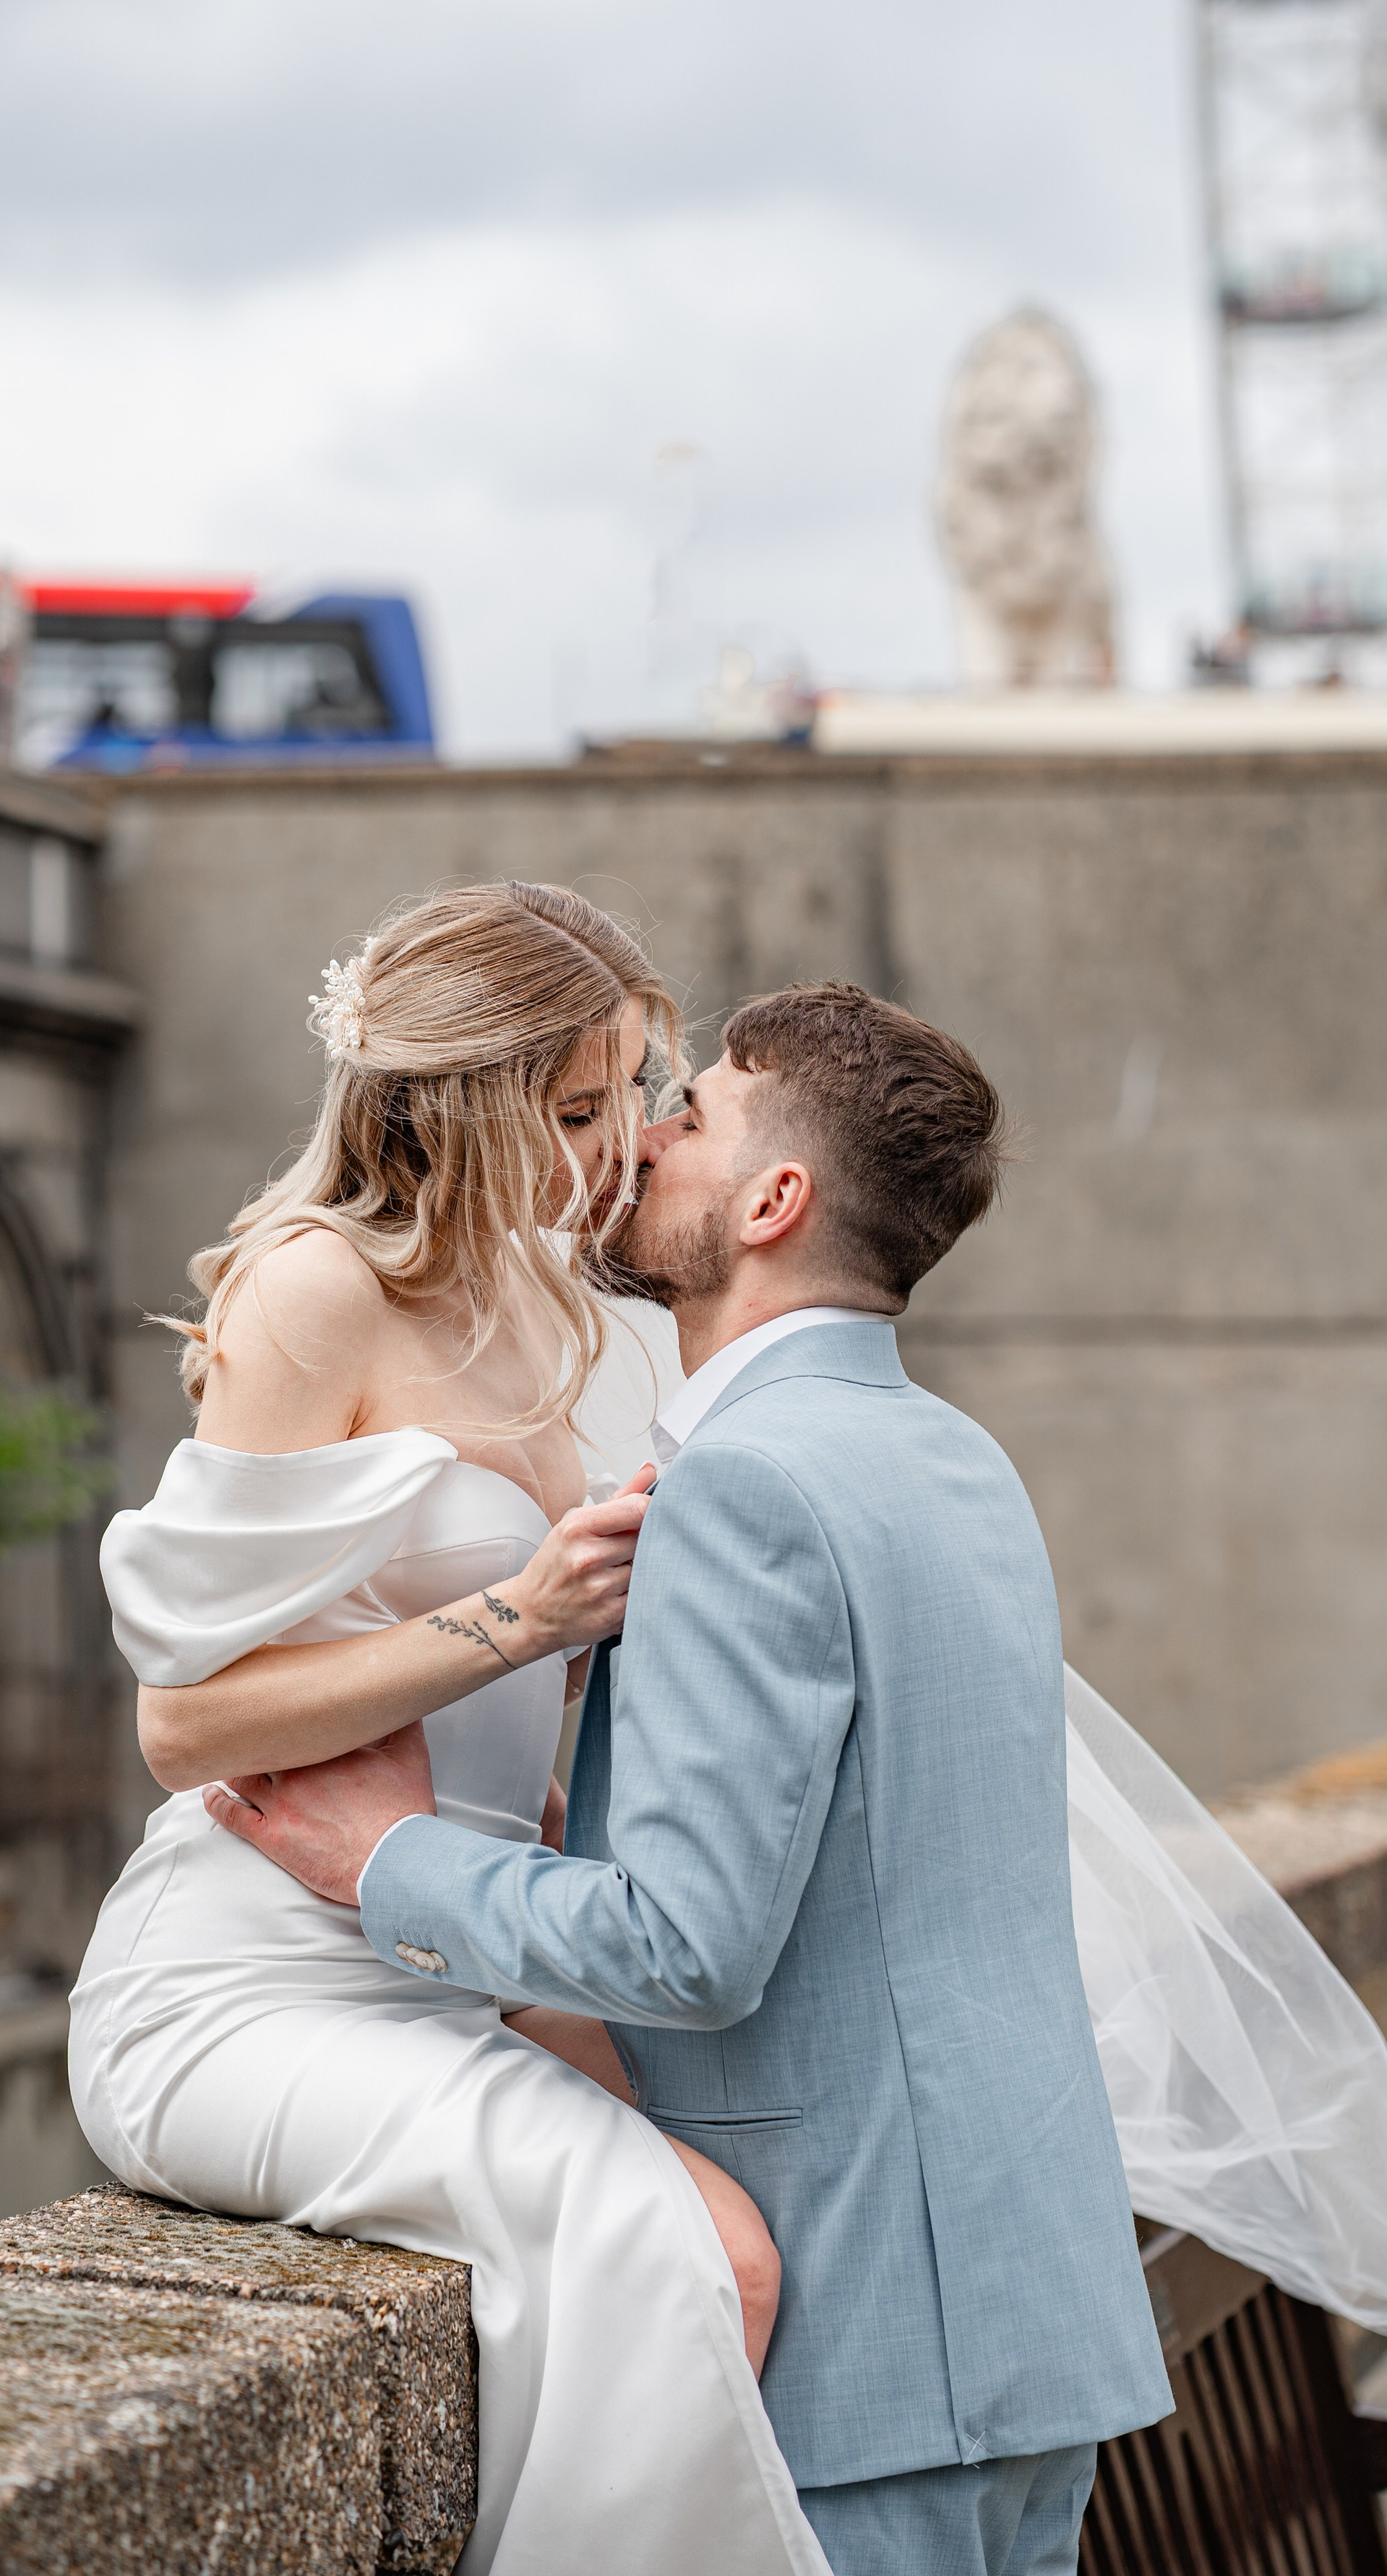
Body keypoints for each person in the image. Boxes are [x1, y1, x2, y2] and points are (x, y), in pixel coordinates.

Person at [207, 976, 1175, 2575]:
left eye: (690, 1114)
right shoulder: (952, 1458)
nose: (642, 1138)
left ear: (774, 1201)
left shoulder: (741, 1486)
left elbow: (688, 1946)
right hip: (1027, 2312)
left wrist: (381, 1858)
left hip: (867, 2333)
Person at [70, 882, 833, 2576]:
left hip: (466, 1958)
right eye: (577, 1109)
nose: (619, 1145)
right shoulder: (313, 1291)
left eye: (633, 1094)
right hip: (249, 1981)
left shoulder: (569, 1306)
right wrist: (523, 1615)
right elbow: (186, 1722)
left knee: (798, 2202)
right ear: (465, 1098)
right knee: (709, 2258)